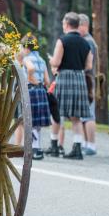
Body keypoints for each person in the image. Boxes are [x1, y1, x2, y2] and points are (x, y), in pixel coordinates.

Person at [49, 12, 93, 160]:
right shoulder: (85, 43)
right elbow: (89, 65)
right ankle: (77, 148)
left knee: (56, 113)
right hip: (79, 78)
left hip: (65, 77)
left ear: (67, 24)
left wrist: (52, 62)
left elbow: (55, 62)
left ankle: (54, 145)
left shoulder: (62, 41)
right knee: (76, 117)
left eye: (63, 23)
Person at [19, 35, 52, 160]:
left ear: (26, 48)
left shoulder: (27, 58)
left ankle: (33, 149)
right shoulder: (42, 60)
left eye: (22, 47)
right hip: (40, 91)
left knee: (30, 121)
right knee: (37, 123)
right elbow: (47, 80)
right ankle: (37, 148)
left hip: (30, 91)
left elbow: (31, 68)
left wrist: (29, 78)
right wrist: (39, 82)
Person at [78, 13, 98, 156]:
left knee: (89, 114)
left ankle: (91, 145)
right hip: (86, 78)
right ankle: (85, 143)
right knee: (84, 114)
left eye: (78, 25)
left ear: (85, 26)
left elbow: (88, 64)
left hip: (88, 79)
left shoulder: (88, 42)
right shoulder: (85, 40)